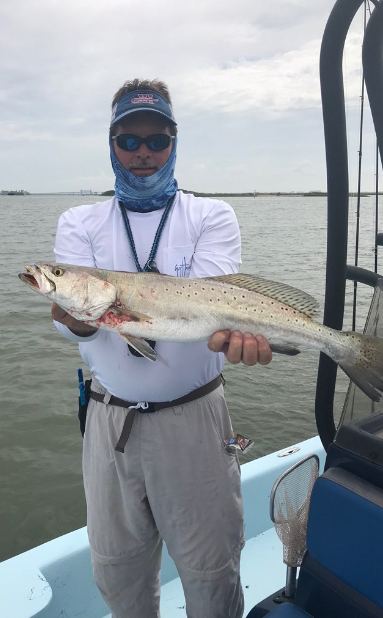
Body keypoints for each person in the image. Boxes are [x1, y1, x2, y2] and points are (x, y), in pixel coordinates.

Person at [52, 79, 272, 618]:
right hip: (109, 422)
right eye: (129, 141)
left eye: (157, 140)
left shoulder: (211, 216)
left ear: (175, 143)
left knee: (211, 569)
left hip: (195, 419)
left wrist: (240, 339)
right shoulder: (79, 223)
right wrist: (78, 318)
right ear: (111, 144)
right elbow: (74, 328)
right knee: (116, 569)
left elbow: (217, 315)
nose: (143, 153)